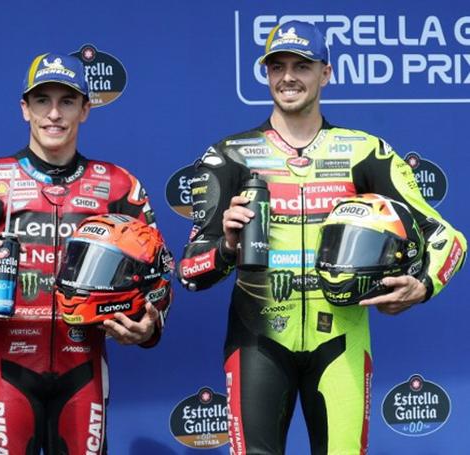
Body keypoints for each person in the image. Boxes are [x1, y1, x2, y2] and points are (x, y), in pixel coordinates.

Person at [177, 20, 466, 454]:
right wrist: (227, 248)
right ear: (267, 73)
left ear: (325, 73)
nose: (288, 76)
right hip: (258, 339)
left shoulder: (365, 151)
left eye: (302, 65)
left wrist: (422, 285)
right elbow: (190, 272)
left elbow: (447, 237)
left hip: (342, 340)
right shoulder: (228, 155)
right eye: (277, 66)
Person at [0, 52, 168, 454]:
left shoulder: (119, 186)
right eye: (42, 101)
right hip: (6, 370)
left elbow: (157, 276)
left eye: (67, 101)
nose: (54, 113)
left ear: (86, 109)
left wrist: (150, 328)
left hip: (83, 367)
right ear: (24, 109)